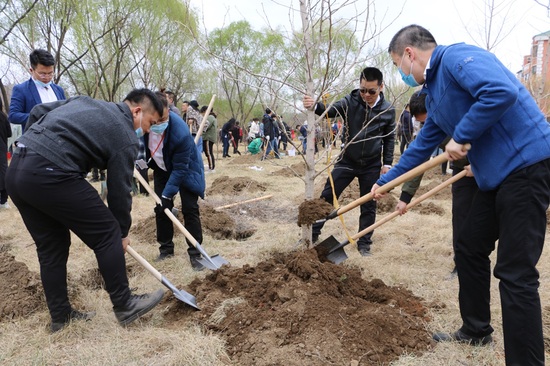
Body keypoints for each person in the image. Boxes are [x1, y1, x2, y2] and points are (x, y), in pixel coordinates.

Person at [372, 24, 550, 365]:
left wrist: (462, 135)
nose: (401, 73)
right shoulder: (436, 93)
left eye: (398, 64)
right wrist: (389, 181)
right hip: (495, 178)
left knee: (515, 273)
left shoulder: (456, 58)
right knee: (469, 246)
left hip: (526, 166)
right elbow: (420, 148)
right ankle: (476, 329)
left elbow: (500, 90)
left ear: (409, 54)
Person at [5, 88, 165, 333]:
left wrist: (33, 143)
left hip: (17, 169)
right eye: (150, 124)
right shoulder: (126, 136)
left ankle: (61, 316)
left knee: (52, 245)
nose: (147, 131)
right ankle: (125, 304)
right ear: (136, 111)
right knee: (107, 231)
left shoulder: (84, 101)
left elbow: (37, 111)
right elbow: (119, 192)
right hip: (50, 171)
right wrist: (120, 234)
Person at [303, 67, 395, 256]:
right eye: (363, 90)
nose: (366, 95)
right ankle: (312, 234)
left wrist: (387, 164)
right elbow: (329, 111)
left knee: (369, 203)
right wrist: (314, 104)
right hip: (347, 160)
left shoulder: (388, 110)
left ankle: (364, 244)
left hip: (371, 164)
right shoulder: (350, 101)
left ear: (381, 87)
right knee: (327, 196)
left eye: (371, 91)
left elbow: (389, 138)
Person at [395, 91, 478, 280]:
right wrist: (405, 197)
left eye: (427, 120)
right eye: (422, 122)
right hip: (461, 172)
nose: (427, 125)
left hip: (489, 167)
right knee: (461, 218)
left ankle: (481, 259)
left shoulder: (462, 112)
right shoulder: (430, 126)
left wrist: (481, 165)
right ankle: (462, 265)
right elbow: (419, 159)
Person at [145, 92, 206, 271]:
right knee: (161, 209)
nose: (162, 122)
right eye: (157, 119)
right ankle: (166, 249)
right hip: (161, 168)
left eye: (165, 117)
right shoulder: (142, 126)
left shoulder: (179, 130)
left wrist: (167, 194)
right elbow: (139, 149)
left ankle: (195, 253)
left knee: (190, 208)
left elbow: (180, 169)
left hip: (186, 169)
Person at [9, 49, 66, 132]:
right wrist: (40, 117)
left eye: (50, 73)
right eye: (42, 74)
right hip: (35, 140)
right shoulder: (21, 89)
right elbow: (13, 116)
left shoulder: (59, 90)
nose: (47, 77)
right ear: (32, 71)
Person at [200, 105, 217, 173]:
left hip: (208, 137)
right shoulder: (212, 117)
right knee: (208, 152)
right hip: (209, 137)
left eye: (203, 112)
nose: (203, 114)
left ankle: (211, 168)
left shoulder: (210, 117)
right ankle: (211, 167)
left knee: (208, 153)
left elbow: (206, 126)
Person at [0, 108, 11, 208]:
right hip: (2, 149)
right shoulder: (4, 117)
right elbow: (9, 134)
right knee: (3, 172)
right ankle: (4, 201)